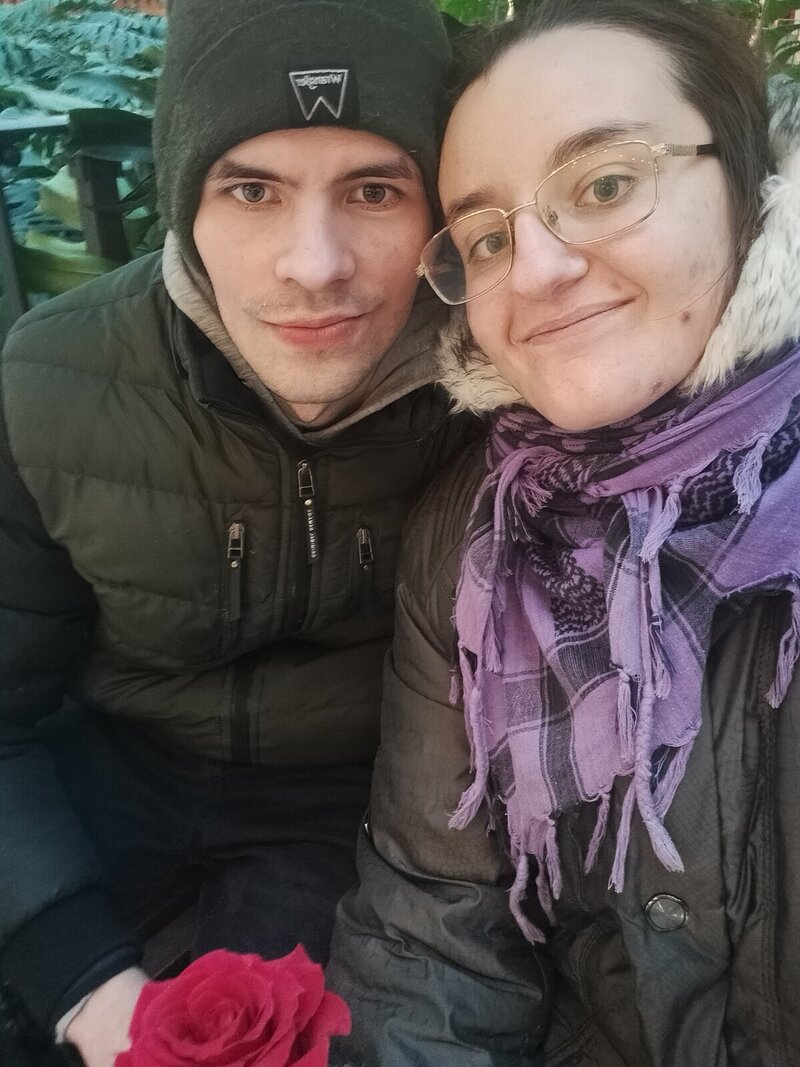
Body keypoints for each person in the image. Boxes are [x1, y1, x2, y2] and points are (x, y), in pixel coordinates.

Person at [0, 0, 478, 1063]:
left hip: (341, 802)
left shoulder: (501, 397)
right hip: (106, 765)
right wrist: (80, 981)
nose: (315, 265)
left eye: (374, 189)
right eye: (251, 189)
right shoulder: (53, 378)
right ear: (184, 202)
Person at [327, 1, 800, 1064]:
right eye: (489, 237)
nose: (535, 270)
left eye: (604, 185)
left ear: (752, 181)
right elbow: (434, 933)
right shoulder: (480, 531)